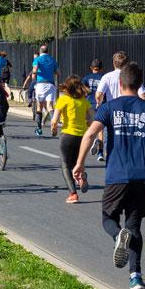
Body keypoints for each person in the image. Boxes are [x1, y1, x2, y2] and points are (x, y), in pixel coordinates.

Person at [73, 62, 145, 289]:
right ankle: (136, 277)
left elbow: (90, 134)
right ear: (139, 84)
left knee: (108, 218)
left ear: (120, 84)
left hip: (117, 174)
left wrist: (79, 164)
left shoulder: (109, 107)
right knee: (134, 225)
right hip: (143, 177)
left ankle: (118, 235)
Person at [51, 75, 95, 204]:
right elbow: (94, 117)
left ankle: (73, 194)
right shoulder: (84, 101)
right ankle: (81, 177)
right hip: (82, 137)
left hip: (67, 136)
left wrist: (53, 129)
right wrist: (87, 123)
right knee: (78, 162)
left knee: (65, 165)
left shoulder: (63, 100)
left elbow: (54, 120)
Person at [30, 45, 60, 136]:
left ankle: (39, 129)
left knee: (39, 106)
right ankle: (53, 125)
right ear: (48, 51)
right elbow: (58, 73)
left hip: (41, 84)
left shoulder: (37, 59)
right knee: (50, 106)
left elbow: (35, 69)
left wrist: (33, 76)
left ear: (40, 51)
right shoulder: (52, 60)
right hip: (51, 84)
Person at [83, 59, 107, 161]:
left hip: (90, 105)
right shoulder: (104, 78)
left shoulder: (86, 78)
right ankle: (100, 153)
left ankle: (94, 140)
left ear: (91, 68)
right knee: (100, 130)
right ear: (101, 68)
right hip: (102, 105)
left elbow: (83, 91)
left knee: (90, 127)